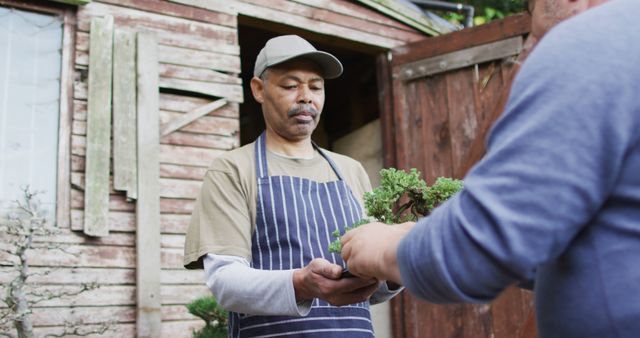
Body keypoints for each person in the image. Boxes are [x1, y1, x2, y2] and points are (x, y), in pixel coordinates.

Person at [341, 0, 640, 337]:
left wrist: (382, 248)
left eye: (531, 14)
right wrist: (412, 236)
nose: (534, 44)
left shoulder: (592, 42)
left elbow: (483, 248)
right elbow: (583, 242)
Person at [183, 35, 401, 337]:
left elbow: (374, 291)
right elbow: (226, 283)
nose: (306, 97)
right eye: (290, 85)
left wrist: (395, 266)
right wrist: (300, 284)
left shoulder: (350, 170)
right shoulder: (233, 169)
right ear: (259, 90)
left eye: (316, 87)